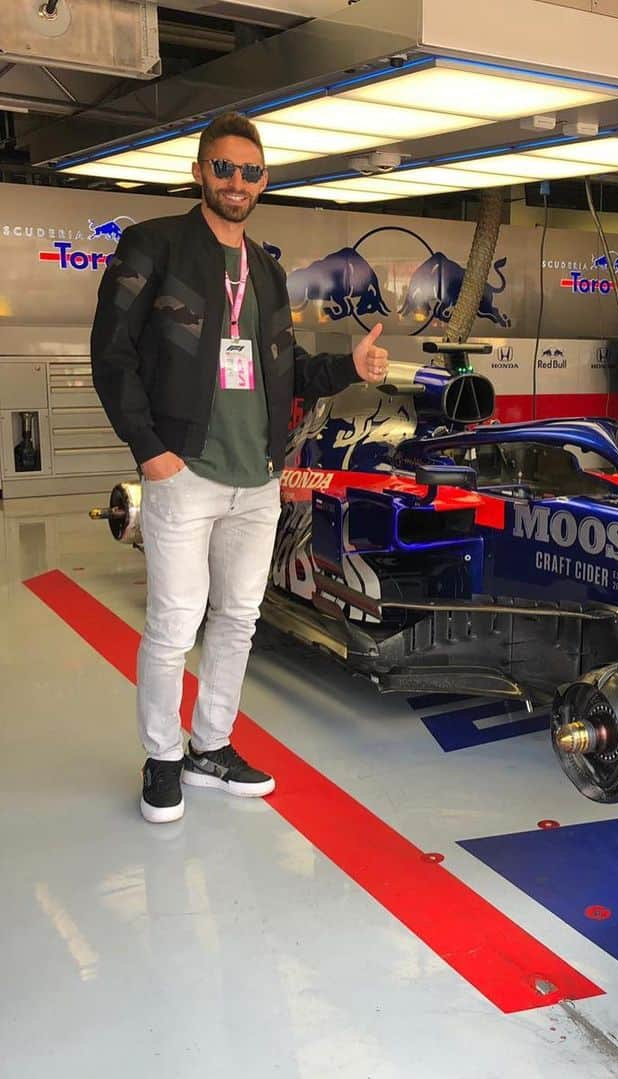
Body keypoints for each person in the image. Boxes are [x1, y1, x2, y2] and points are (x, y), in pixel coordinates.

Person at [91, 112, 390, 823]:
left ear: (264, 181)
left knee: (237, 619)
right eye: (223, 168)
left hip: (257, 477)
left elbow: (277, 370)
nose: (236, 182)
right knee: (173, 623)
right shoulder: (154, 246)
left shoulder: (265, 268)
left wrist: (345, 367)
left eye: (250, 172)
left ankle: (210, 745)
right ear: (200, 172)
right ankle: (162, 757)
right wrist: (149, 449)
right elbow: (112, 354)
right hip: (182, 472)